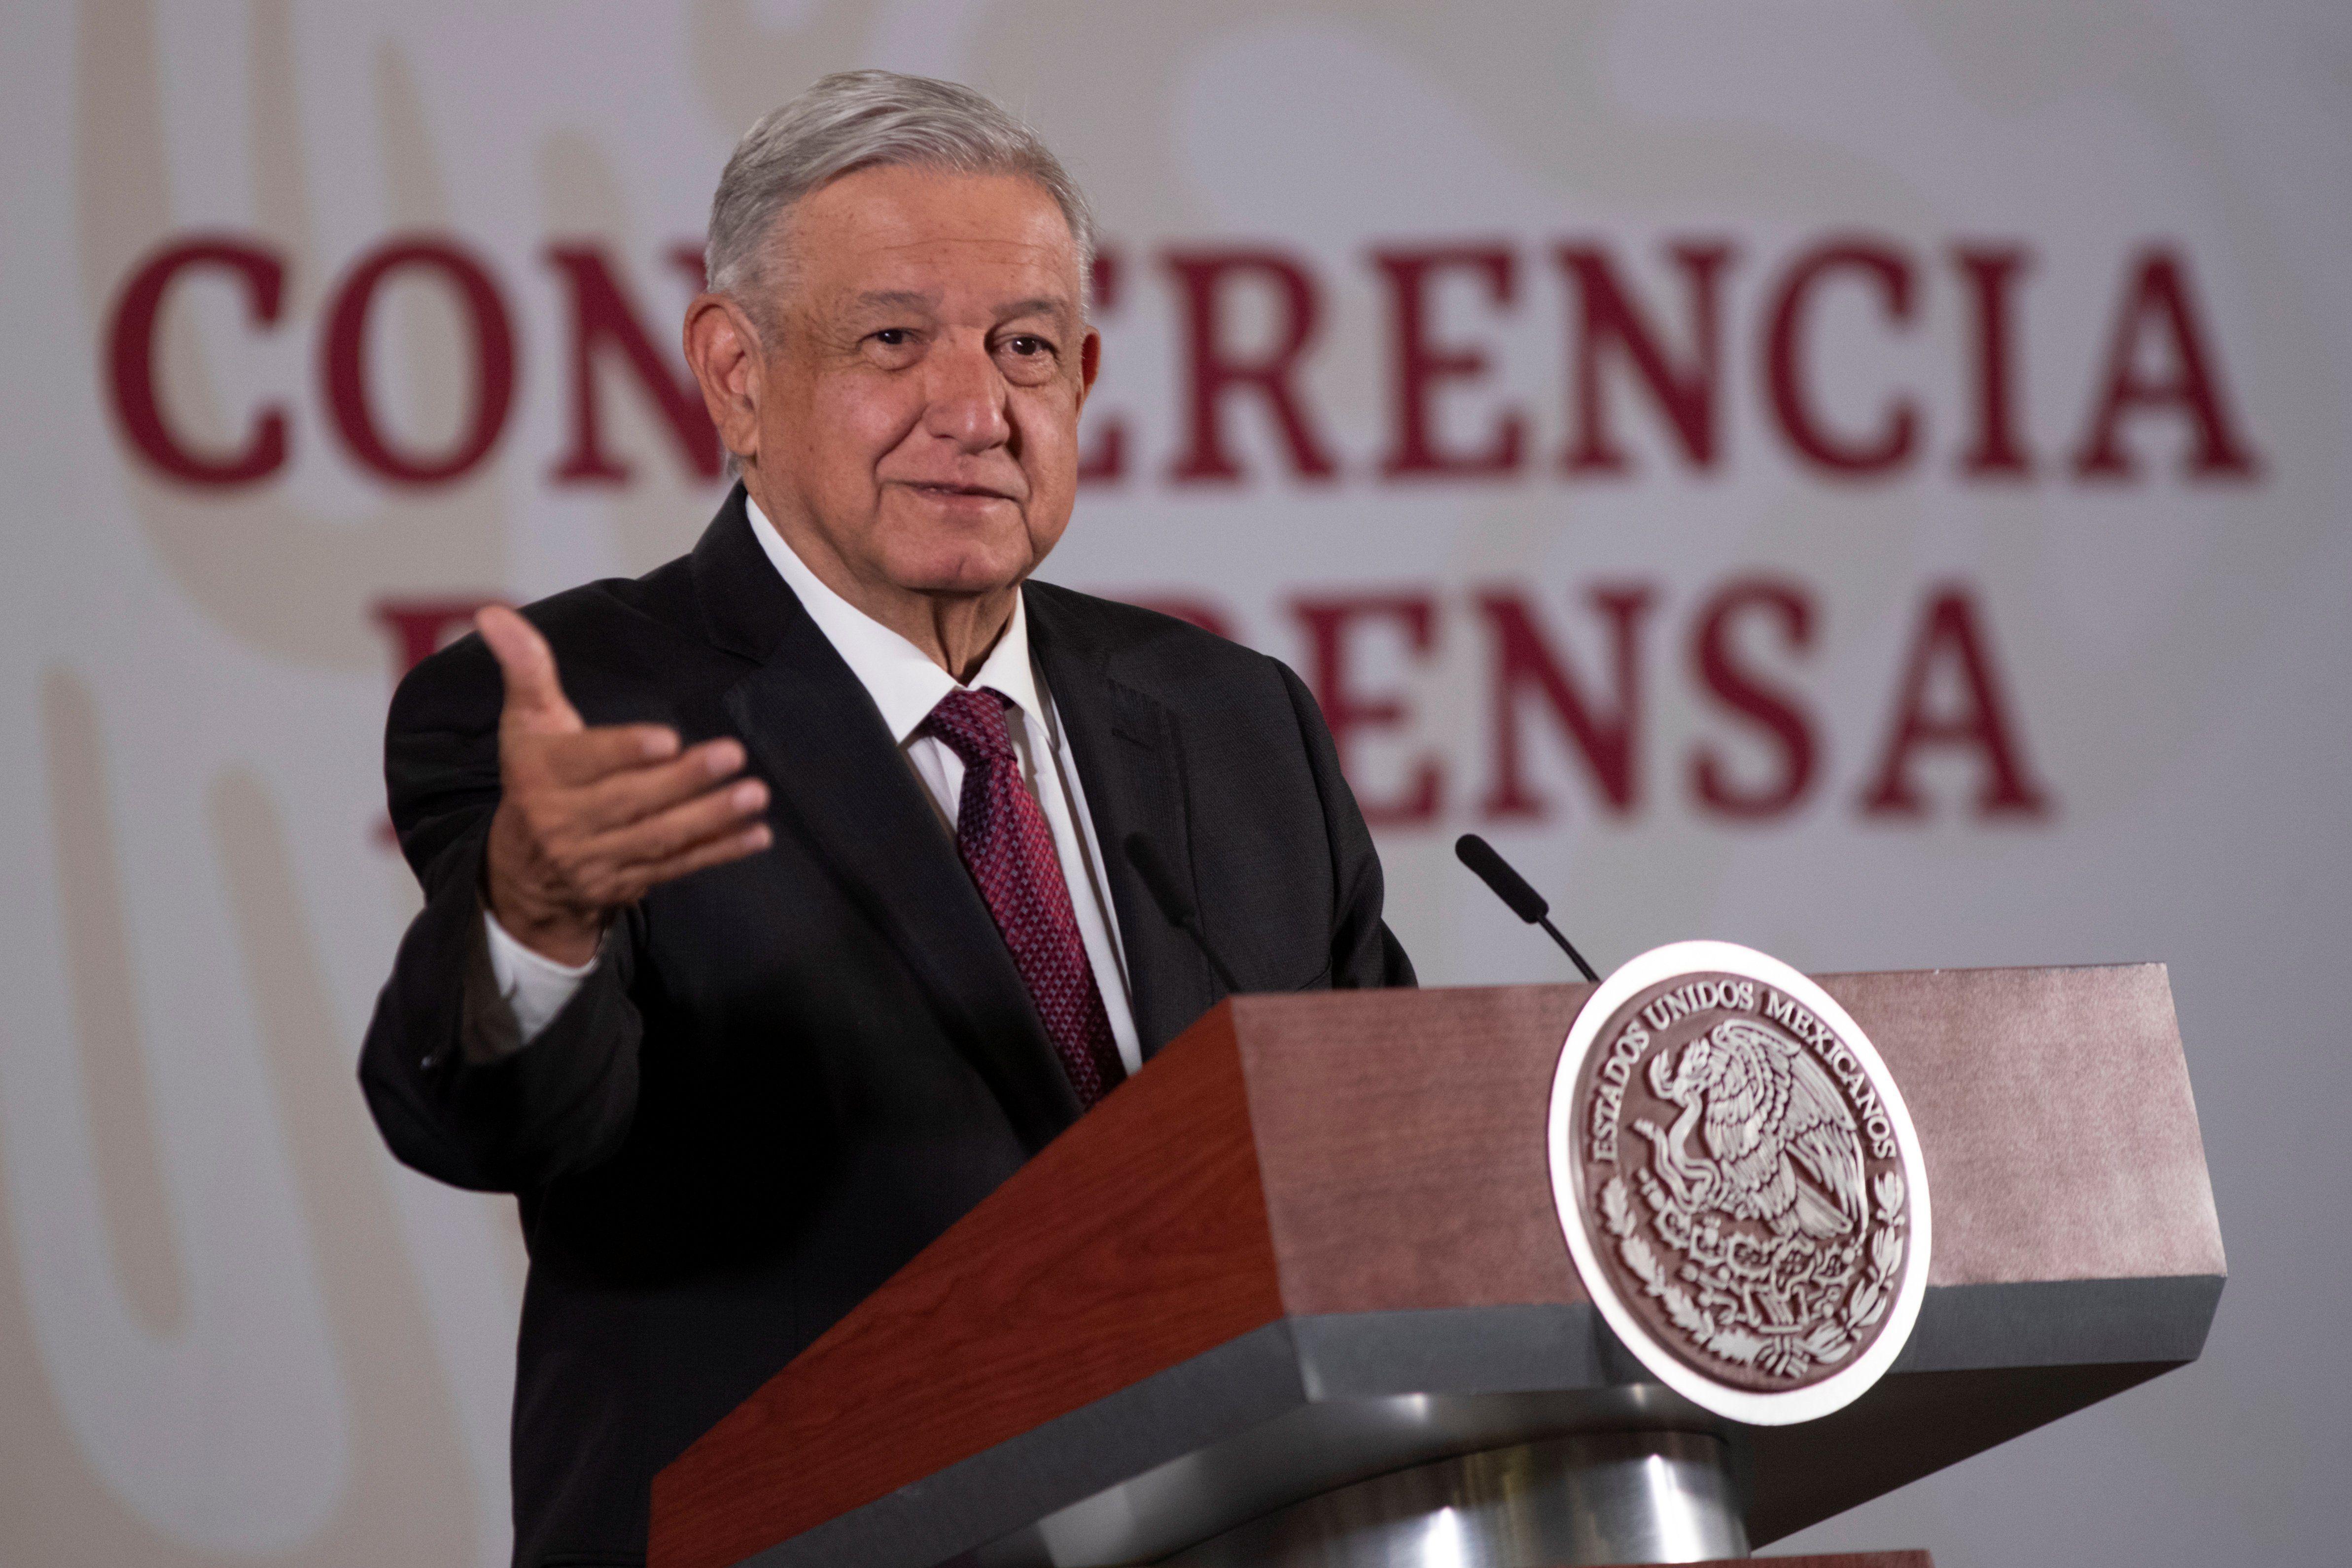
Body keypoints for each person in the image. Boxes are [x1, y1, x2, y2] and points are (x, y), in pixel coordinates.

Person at [360, 70, 1412, 1568]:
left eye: (1024, 348)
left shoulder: (1234, 721)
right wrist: (535, 912)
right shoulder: (588, 711)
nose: (974, 412)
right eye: (892, 340)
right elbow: (498, 1120)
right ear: (735, 373)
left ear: (1083, 378)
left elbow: (1378, 1173)